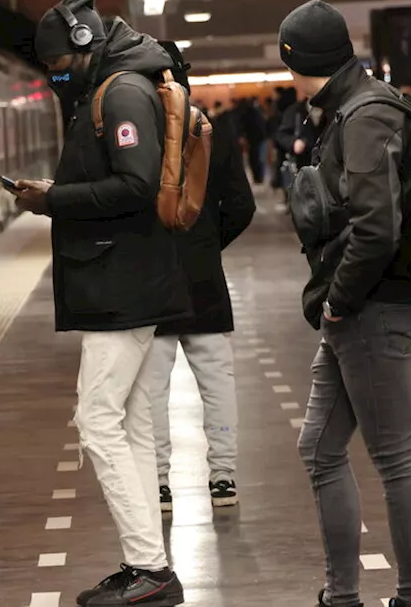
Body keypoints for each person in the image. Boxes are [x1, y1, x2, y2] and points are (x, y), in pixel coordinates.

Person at [18, 0, 191, 607]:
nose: (55, 73)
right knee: (135, 425)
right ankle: (148, 565)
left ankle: (149, 568)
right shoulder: (110, 87)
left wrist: (52, 199)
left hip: (124, 284)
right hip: (127, 279)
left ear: (85, 45)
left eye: (60, 61)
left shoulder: (120, 93)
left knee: (97, 423)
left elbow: (137, 184)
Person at [278, 0, 411, 607]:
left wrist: (339, 302)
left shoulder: (364, 115)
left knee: (395, 456)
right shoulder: (349, 106)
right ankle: (341, 595)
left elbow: (376, 229)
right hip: (360, 306)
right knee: (318, 447)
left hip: (375, 307)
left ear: (300, 59)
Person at [149, 70, 256, 512]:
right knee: (217, 380)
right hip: (204, 277)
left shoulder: (135, 134)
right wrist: (208, 244)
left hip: (151, 280)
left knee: (151, 387)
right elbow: (242, 206)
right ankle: (223, 478)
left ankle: (158, 484)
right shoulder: (213, 131)